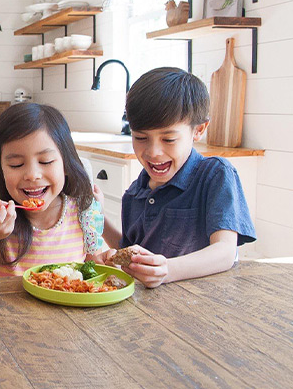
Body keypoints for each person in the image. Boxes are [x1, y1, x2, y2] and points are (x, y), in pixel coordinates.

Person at [96, 67, 256, 288]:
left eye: (169, 139)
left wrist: (168, 270)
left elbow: (225, 252)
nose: (153, 152)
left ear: (198, 130)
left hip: (205, 304)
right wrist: (97, 216)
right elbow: (131, 250)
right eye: (140, 137)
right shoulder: (134, 193)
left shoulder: (215, 174)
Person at [0, 103, 104, 280]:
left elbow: (94, 274)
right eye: (16, 164)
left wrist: (110, 261)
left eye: (45, 161)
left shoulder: (85, 214)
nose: (32, 175)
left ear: (66, 164)